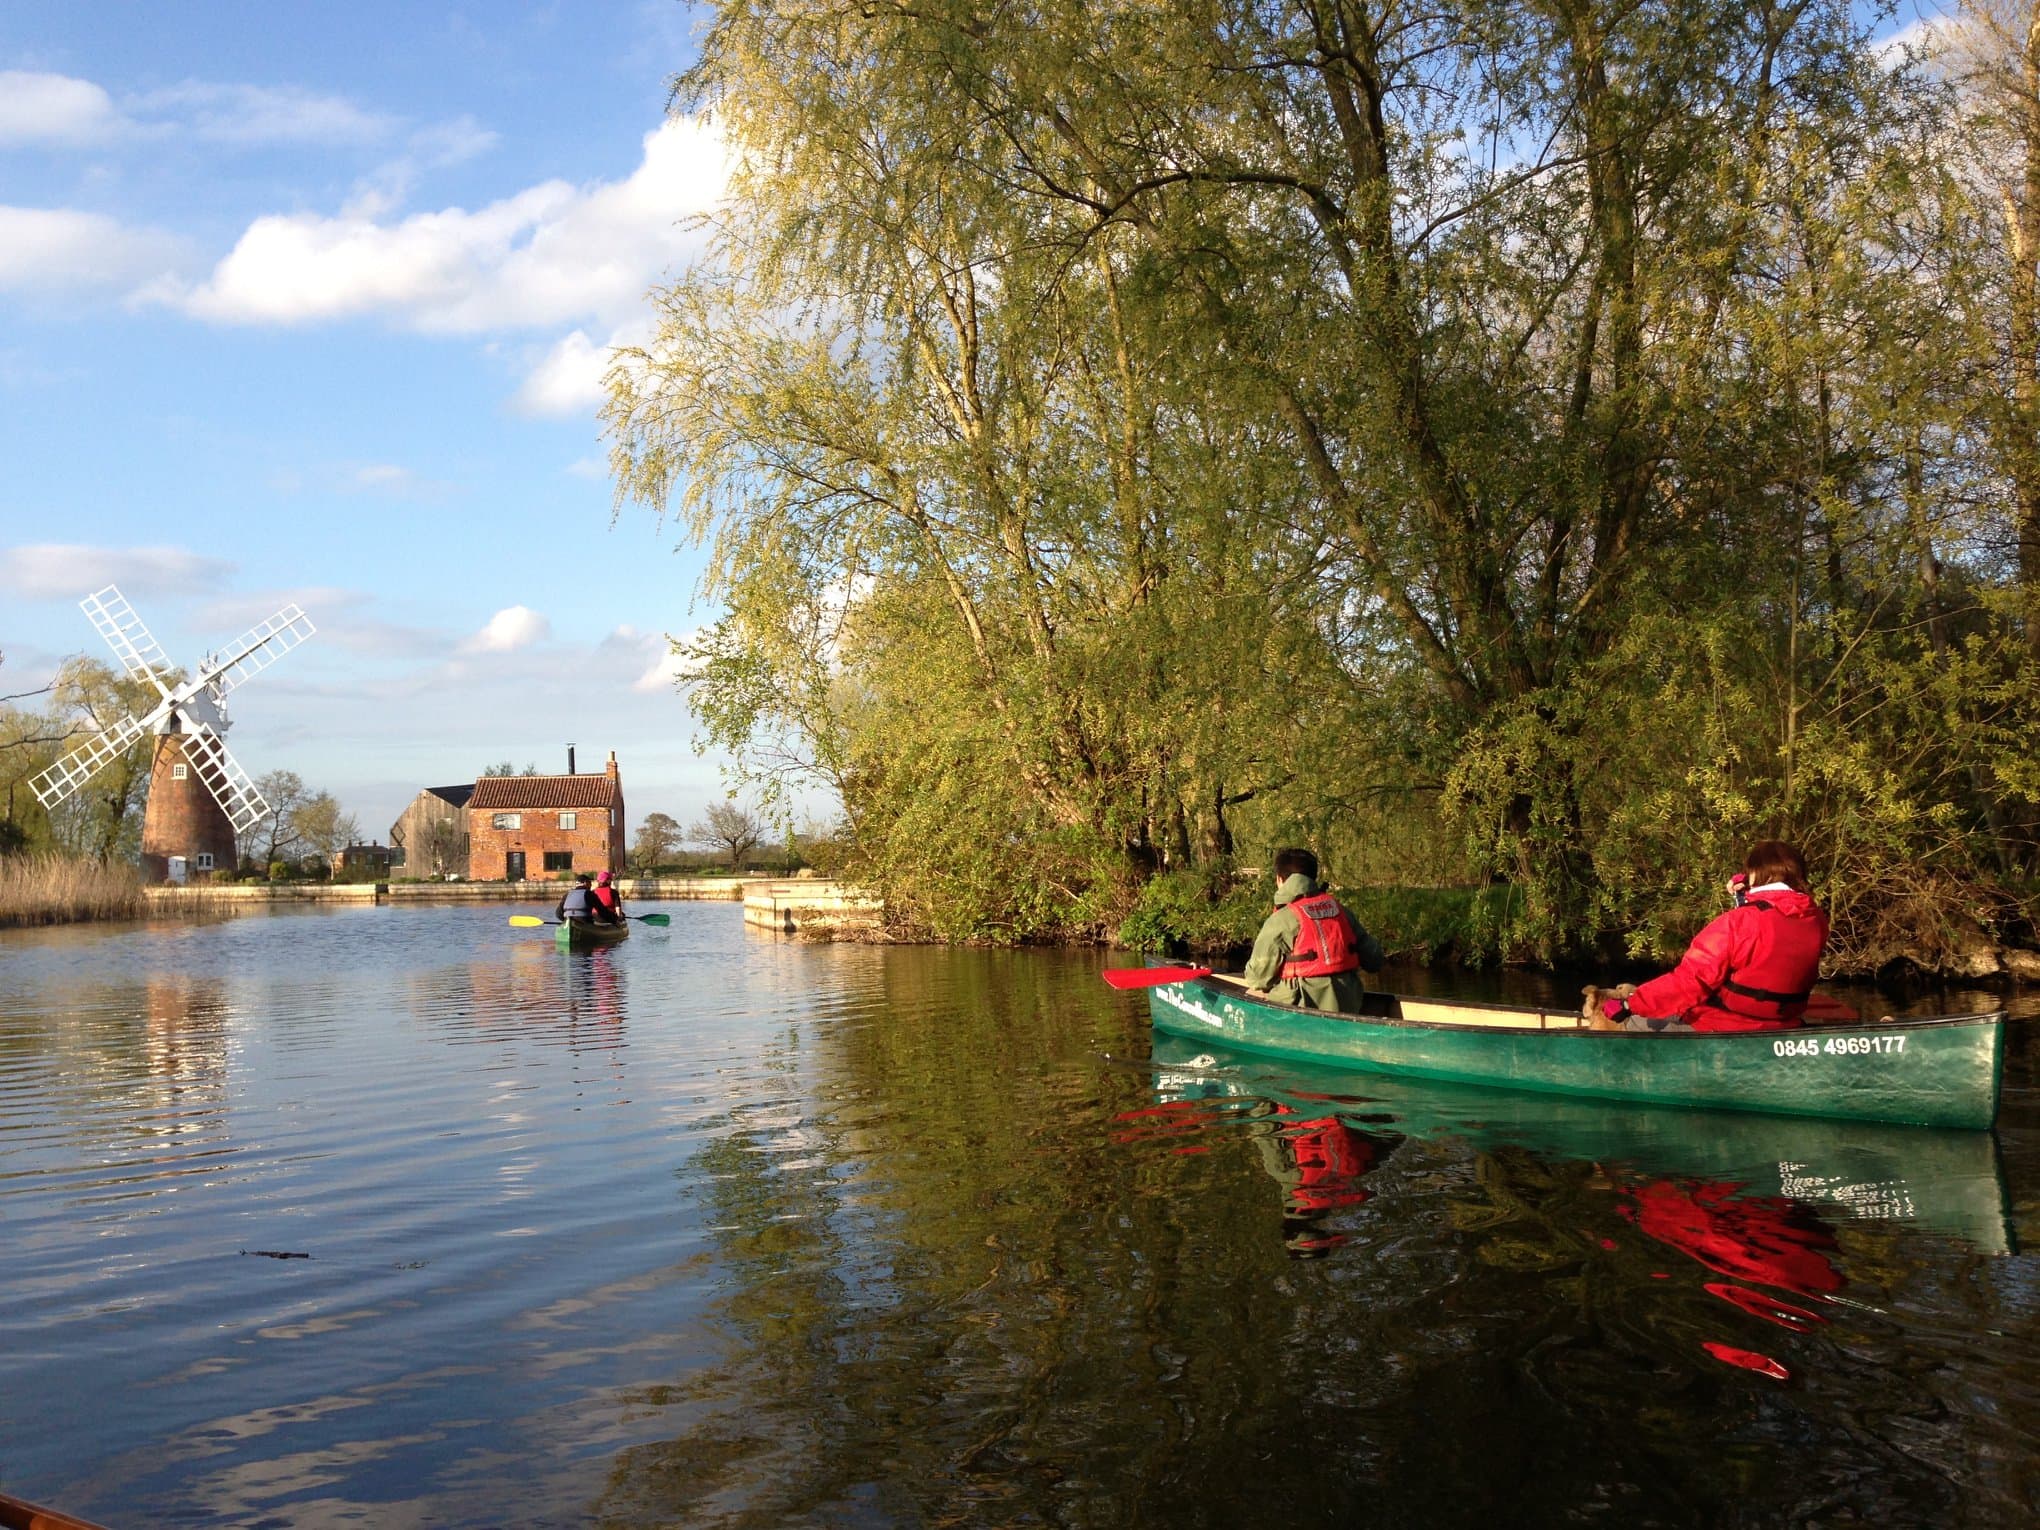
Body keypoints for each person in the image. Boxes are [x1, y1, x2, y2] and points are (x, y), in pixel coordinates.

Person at [1593, 840, 1830, 1033]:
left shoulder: (1737, 923)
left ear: (1756, 873)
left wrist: (1628, 1004)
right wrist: (1748, 890)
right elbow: (1773, 919)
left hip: (1724, 1024)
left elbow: (1688, 983)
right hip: (1784, 1023)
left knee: (1625, 1023)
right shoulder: (1815, 919)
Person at [1243, 848, 1384, 1013]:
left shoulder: (1280, 920)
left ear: (1280, 880)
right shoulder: (1341, 911)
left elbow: (1258, 979)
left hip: (1299, 1009)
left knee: (1252, 991)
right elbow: (1375, 960)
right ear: (1313, 878)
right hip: (1349, 1004)